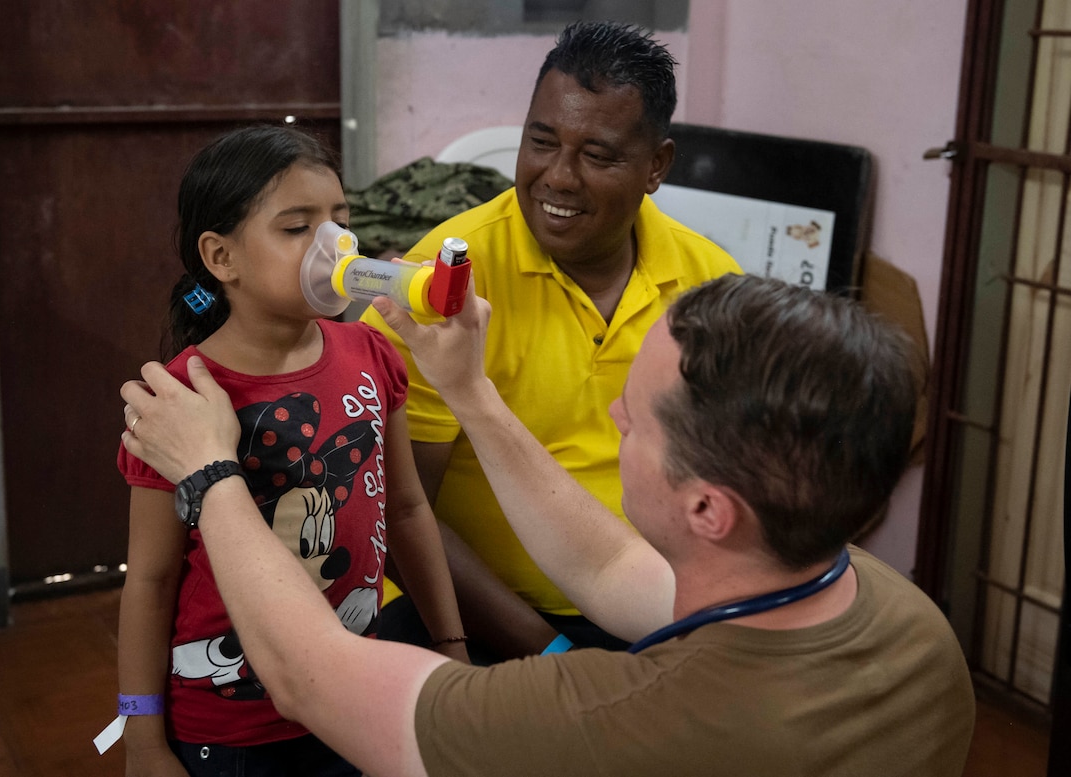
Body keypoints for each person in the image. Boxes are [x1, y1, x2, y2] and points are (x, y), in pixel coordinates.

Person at [119, 272, 976, 777]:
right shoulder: (901, 617)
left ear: (709, 510)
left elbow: (313, 679)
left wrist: (211, 473)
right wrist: (470, 391)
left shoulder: (613, 720)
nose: (612, 415)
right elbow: (608, 567)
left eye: (634, 422)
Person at [361, 20, 742, 659]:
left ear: (657, 166)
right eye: (542, 141)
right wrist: (552, 652)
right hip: (483, 616)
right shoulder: (445, 281)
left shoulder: (710, 285)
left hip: (658, 607)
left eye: (598, 155)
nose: (558, 178)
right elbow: (398, 515)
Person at [111, 125, 467, 777]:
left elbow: (410, 510)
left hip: (354, 695)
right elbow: (152, 580)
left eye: (341, 218)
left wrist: (451, 645)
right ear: (222, 258)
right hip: (235, 731)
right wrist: (142, 741)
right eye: (297, 227)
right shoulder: (181, 400)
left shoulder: (373, 352)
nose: (335, 246)